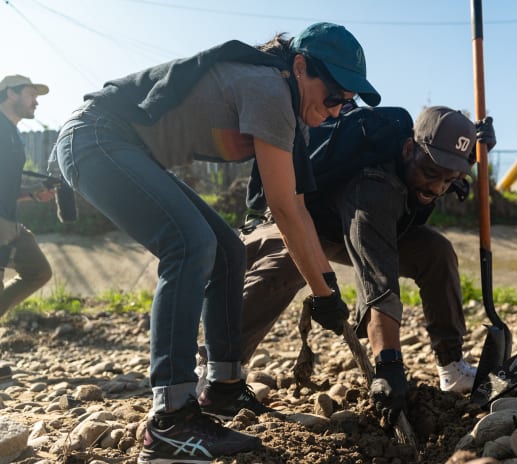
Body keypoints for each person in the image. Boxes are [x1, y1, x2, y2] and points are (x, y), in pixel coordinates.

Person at [53, 22, 380, 463]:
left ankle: (224, 388)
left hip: (123, 148)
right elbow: (283, 211)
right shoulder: (269, 90)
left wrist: (327, 291)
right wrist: (322, 295)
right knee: (189, 244)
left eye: (349, 101)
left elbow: (298, 207)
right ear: (301, 67)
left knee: (226, 249)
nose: (339, 109)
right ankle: (171, 419)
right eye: (335, 94)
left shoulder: (290, 108)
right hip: (96, 138)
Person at [238, 105, 495, 425]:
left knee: (436, 251)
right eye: (431, 174)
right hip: (302, 222)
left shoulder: (433, 169)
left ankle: (452, 365)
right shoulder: (374, 186)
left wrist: (473, 152)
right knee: (291, 263)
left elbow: (441, 173)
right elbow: (378, 280)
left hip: (378, 228)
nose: (437, 188)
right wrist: (389, 364)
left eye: (450, 178)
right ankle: (221, 367)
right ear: (407, 149)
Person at [0, 75, 53, 319]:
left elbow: (7, 185)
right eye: (31, 95)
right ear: (11, 93)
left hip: (9, 222)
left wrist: (32, 192)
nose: (36, 102)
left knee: (39, 270)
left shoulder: (13, 134)